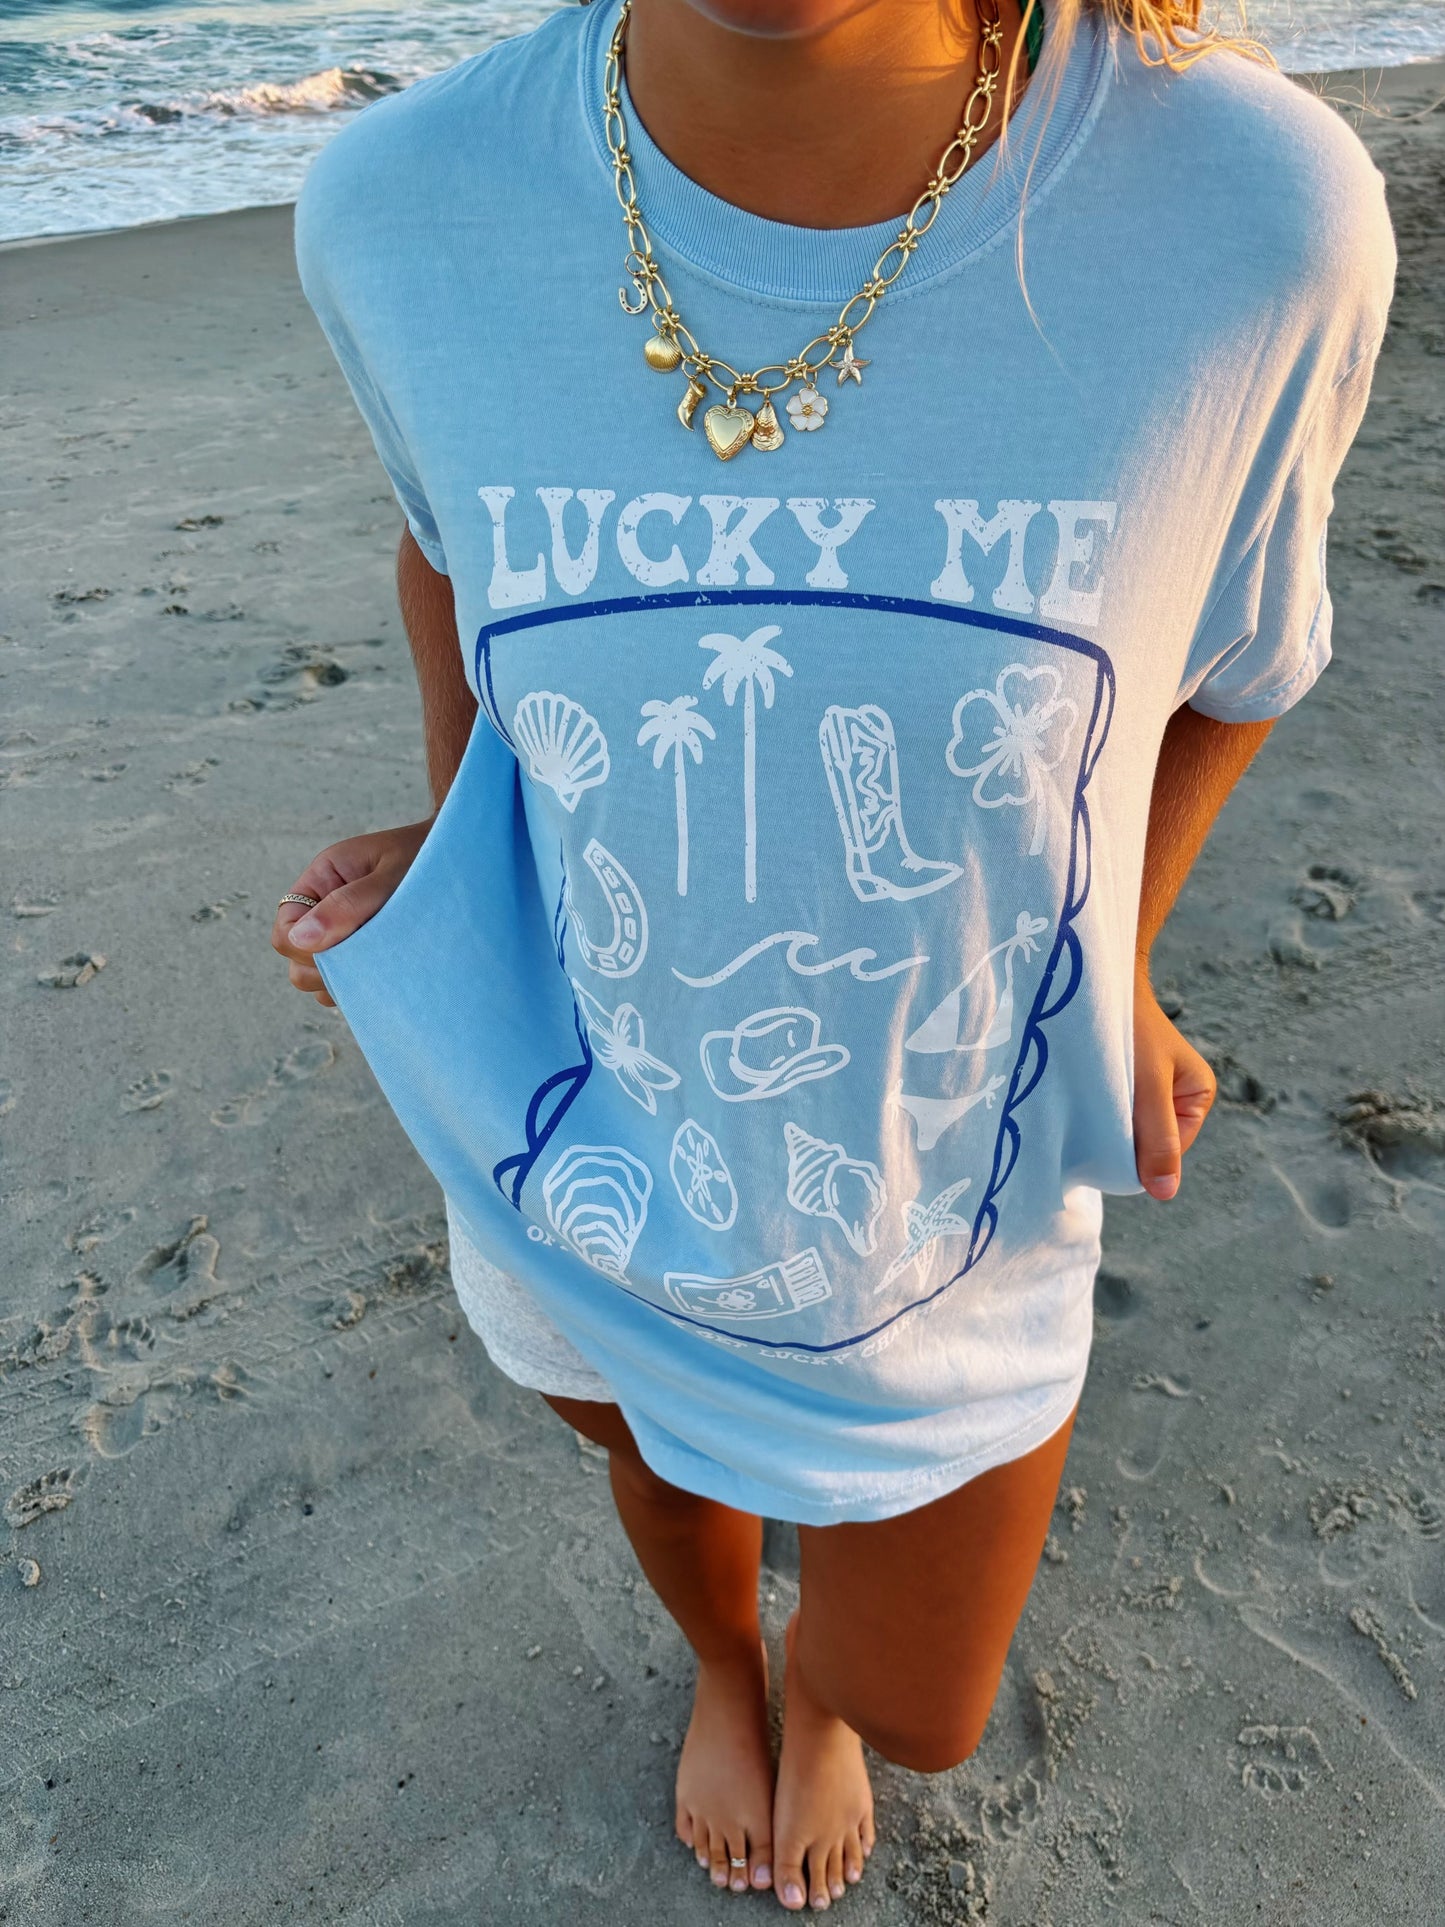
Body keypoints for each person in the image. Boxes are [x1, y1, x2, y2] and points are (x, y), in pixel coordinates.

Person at [272, 0, 1395, 1908]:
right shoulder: (398, 203)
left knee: (923, 1703)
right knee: (656, 1456)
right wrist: (455, 844)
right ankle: (730, 1669)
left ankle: (833, 1700)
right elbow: (452, 549)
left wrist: (1114, 954)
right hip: (576, 1112)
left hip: (942, 1172)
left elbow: (1238, 657)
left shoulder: (1252, 214)